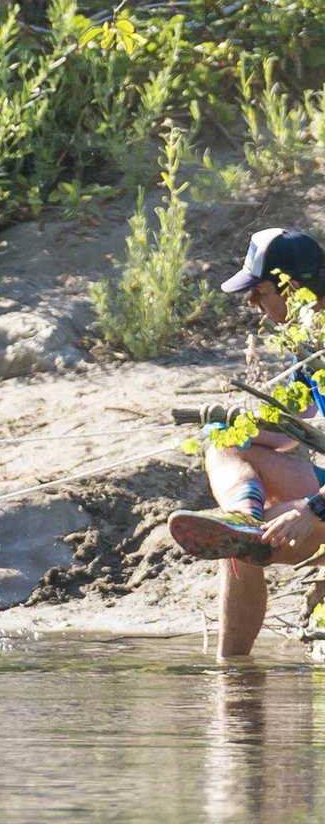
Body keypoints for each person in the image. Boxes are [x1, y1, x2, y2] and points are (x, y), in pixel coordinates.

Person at [168, 228, 325, 656]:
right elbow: (298, 428)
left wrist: (313, 511)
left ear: (293, 286)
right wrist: (236, 425)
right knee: (225, 455)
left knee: (249, 545)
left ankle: (246, 524)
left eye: (258, 292)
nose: (252, 304)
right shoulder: (308, 343)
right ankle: (231, 676)